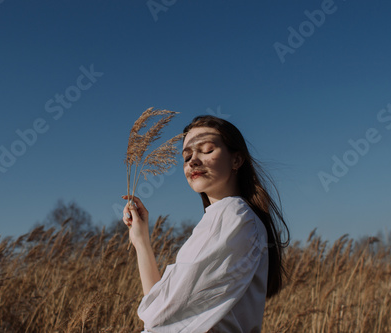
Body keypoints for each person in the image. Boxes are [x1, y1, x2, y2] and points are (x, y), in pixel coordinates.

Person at [122, 115, 290, 332]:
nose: (193, 161)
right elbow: (162, 311)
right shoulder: (222, 218)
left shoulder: (234, 216)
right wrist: (141, 240)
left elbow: (159, 313)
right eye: (187, 156)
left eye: (207, 149)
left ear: (236, 160)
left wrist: (155, 310)